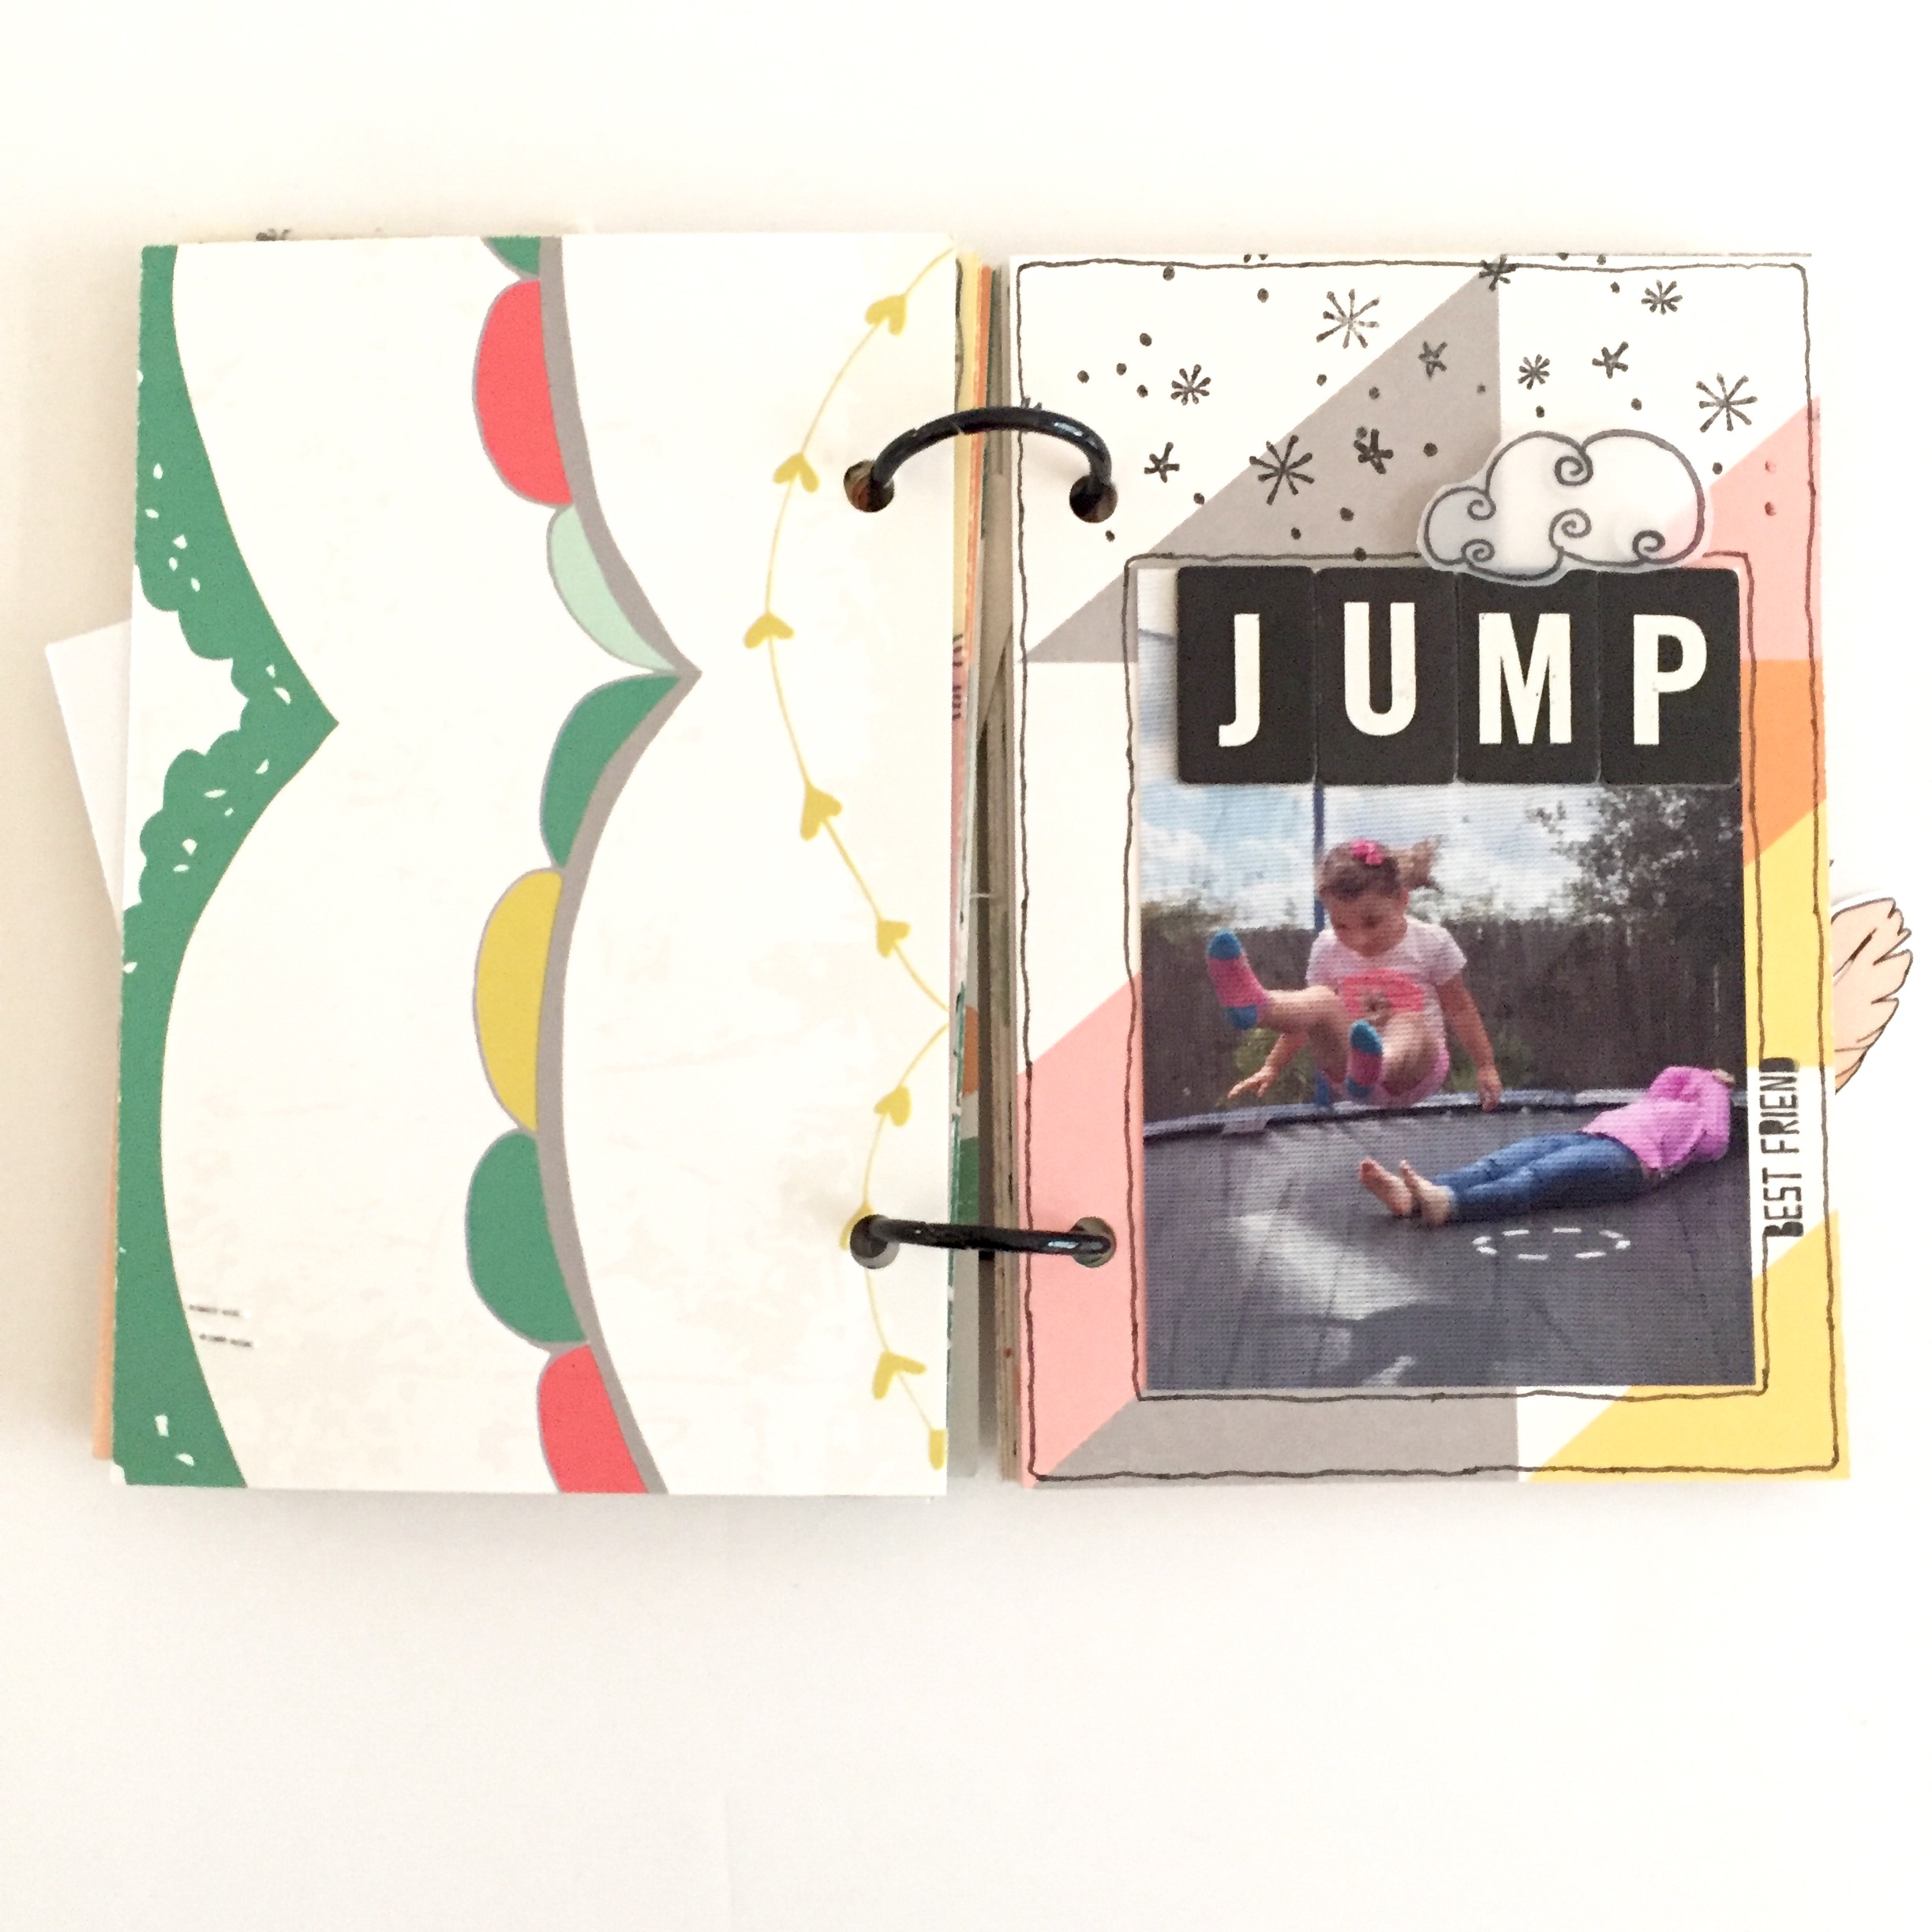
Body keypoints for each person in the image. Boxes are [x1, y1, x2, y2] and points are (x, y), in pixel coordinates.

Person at [1206, 837, 1500, 1110]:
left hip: (1415, 1072)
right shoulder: (1327, 948)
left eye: (1372, 923)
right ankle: (1259, 1005)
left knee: (1408, 1023)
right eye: (1341, 926)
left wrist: (1485, 1065)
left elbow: (1459, 1009)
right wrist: (1272, 1066)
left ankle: (1378, 1063)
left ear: (1401, 900)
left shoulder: (1431, 942)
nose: (1359, 938)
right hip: (1349, 1075)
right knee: (1320, 999)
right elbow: (1306, 1022)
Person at [1357, 1065, 1736, 1226]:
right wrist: (1704, 1073)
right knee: (1497, 1164)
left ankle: (1451, 1206)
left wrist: (1717, 1086)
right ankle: (1411, 1197)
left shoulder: (1703, 1126)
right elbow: (1670, 1076)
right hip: (1588, 1136)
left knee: (1535, 1178)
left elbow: (1719, 1141)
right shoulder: (1661, 1100)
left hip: (1628, 1162)